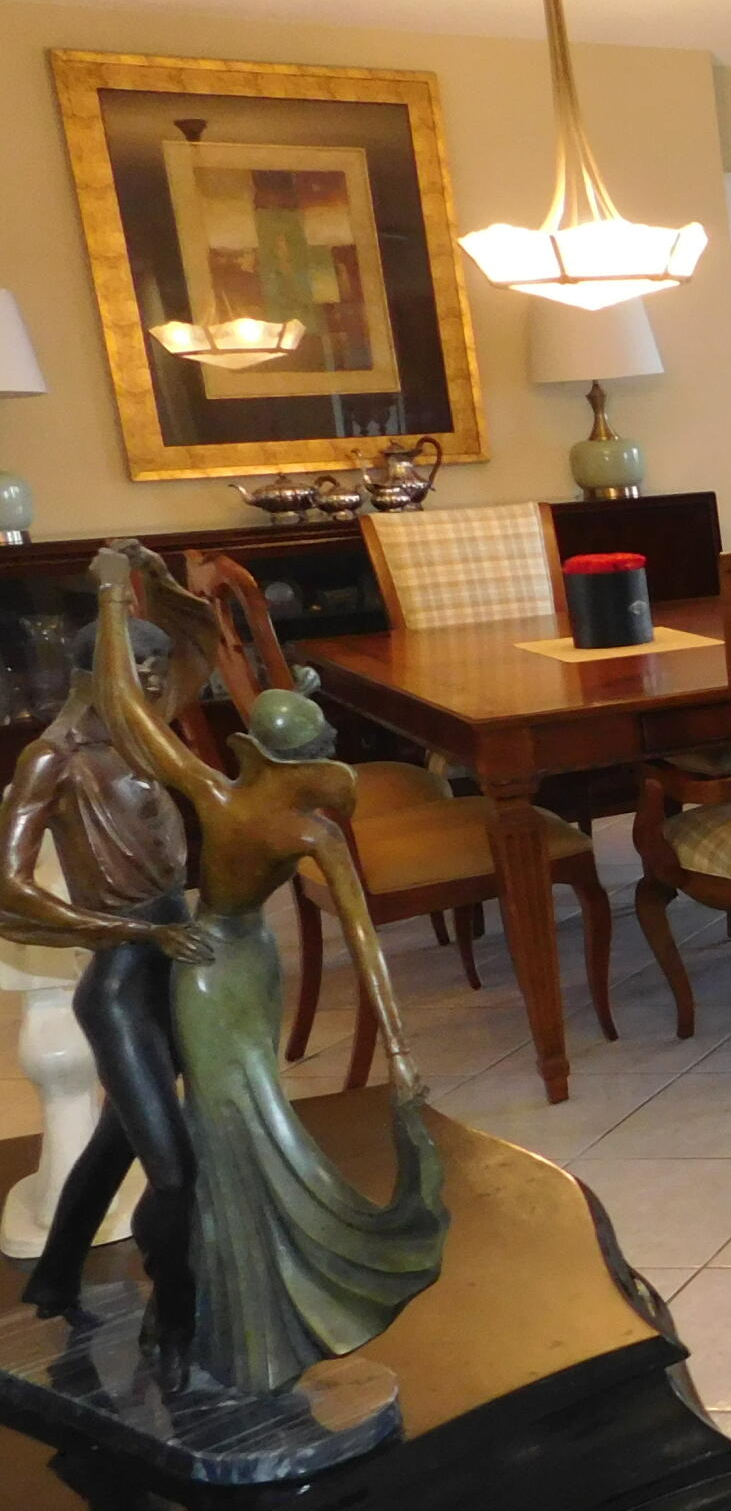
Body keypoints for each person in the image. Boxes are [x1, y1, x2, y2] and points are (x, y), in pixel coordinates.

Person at [84, 545, 445, 1401]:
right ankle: (235, 1317)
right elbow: (127, 712)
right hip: (218, 965)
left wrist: (109, 597)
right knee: (229, 1130)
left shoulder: (234, 800)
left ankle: (258, 1315)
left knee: (252, 1118)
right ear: (298, 757)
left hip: (225, 957)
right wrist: (110, 601)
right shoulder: (293, 824)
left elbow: (130, 711)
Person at [0, 569, 218, 1382]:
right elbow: (8, 887)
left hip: (175, 965)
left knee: (122, 1134)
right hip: (122, 981)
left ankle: (57, 1273)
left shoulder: (151, 740)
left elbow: (200, 640)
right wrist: (115, 928)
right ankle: (173, 1303)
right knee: (175, 1167)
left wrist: (149, 578)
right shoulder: (52, 759)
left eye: (162, 671)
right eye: (140, 669)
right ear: (99, 673)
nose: (157, 683)